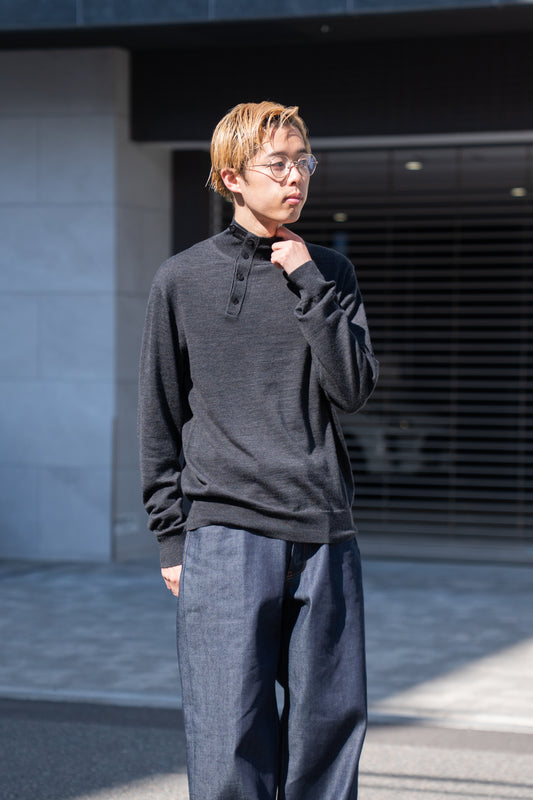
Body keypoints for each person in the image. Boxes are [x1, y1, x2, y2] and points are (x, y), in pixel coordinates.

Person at [138, 101, 379, 800]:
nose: (295, 177)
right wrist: (171, 537)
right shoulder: (181, 279)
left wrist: (308, 283)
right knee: (228, 738)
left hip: (323, 531)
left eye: (304, 162)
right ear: (232, 177)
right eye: (278, 164)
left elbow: (352, 389)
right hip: (225, 535)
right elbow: (159, 413)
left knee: (327, 734)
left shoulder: (329, 272)